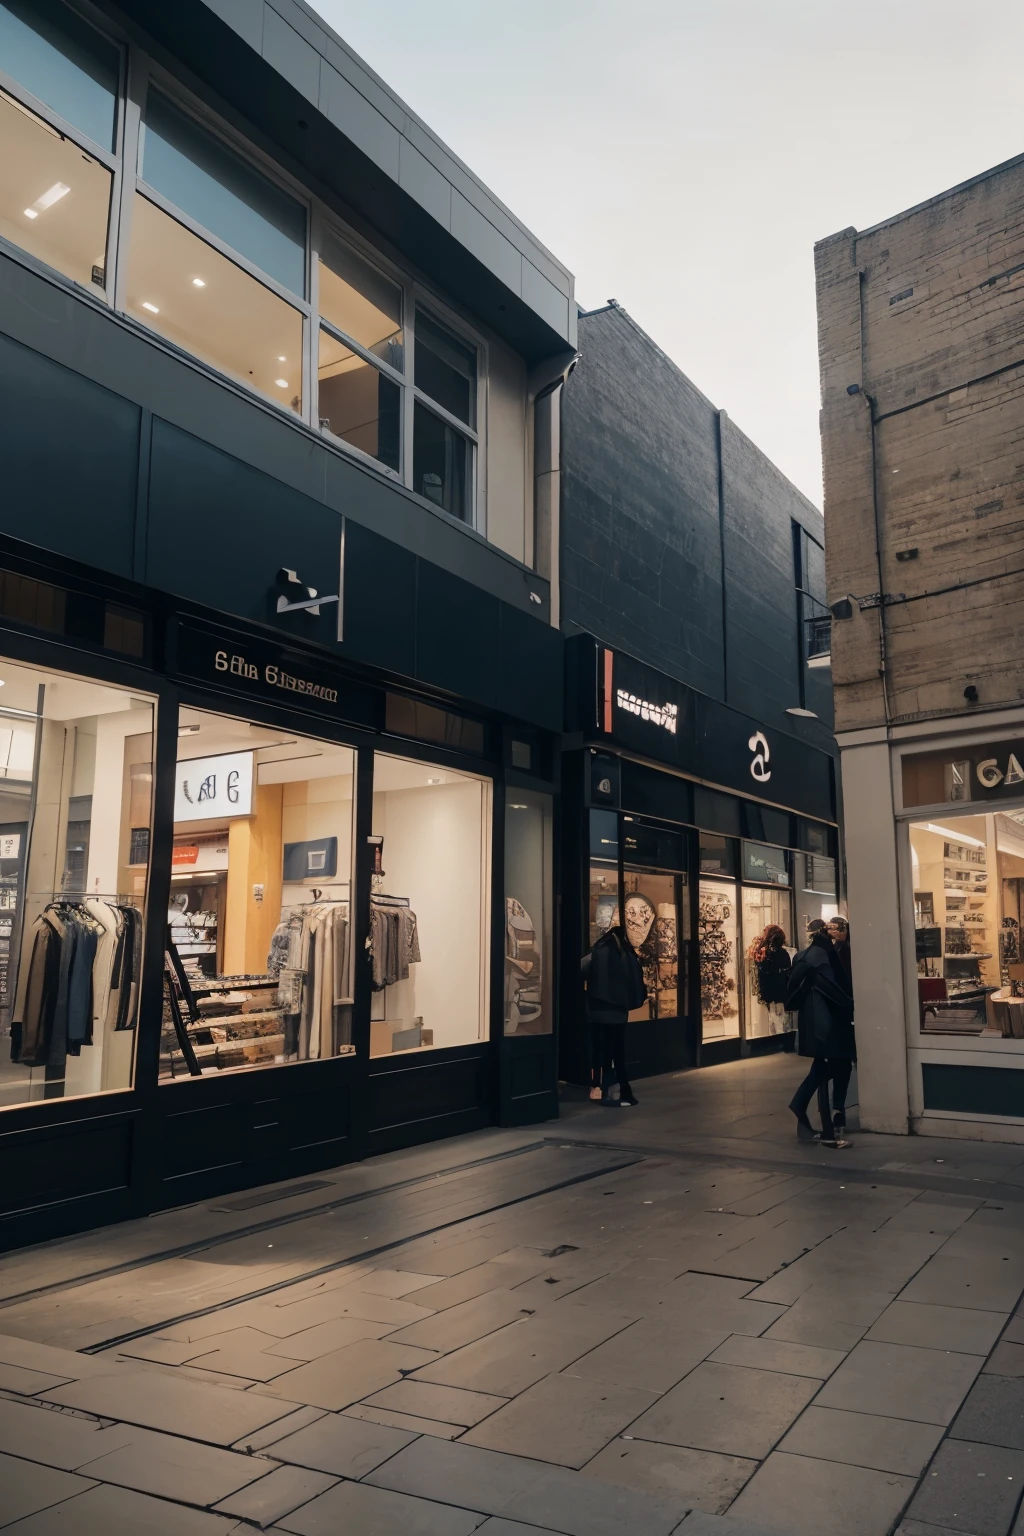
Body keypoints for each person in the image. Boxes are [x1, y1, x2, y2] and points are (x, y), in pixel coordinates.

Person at [786, 919, 855, 1147]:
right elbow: (834, 991)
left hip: (813, 1024)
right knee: (828, 1068)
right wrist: (853, 1006)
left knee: (826, 1068)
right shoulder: (822, 957)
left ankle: (809, 1110)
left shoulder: (804, 956)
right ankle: (828, 1128)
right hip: (827, 1025)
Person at [581, 921, 647, 1107]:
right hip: (620, 1014)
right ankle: (623, 1092)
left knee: (601, 1053)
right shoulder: (628, 955)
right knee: (617, 1054)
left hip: (599, 1013)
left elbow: (580, 970)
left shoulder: (598, 952)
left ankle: (601, 1090)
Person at [748, 924, 792, 1034]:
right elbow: (787, 971)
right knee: (781, 1018)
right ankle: (782, 1039)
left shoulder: (763, 953)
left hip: (767, 991)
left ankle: (774, 1038)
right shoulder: (783, 953)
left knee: (772, 1019)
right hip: (781, 991)